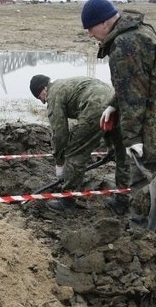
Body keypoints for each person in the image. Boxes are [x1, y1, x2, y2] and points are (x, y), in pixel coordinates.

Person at [81, 0, 156, 232]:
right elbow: (140, 81)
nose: (90, 35)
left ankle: (140, 237)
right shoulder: (138, 32)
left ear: (103, 23)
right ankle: (155, 232)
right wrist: (114, 104)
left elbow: (134, 97)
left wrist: (133, 139)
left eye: (90, 29)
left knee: (143, 183)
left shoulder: (125, 44)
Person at [29, 75, 130, 213]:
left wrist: (60, 162)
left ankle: (67, 201)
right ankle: (122, 200)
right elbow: (106, 123)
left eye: (40, 97)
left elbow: (60, 133)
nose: (42, 102)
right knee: (121, 152)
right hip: (116, 102)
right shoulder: (67, 83)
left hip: (96, 107)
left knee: (75, 151)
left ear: (43, 89)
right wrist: (109, 145)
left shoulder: (54, 94)